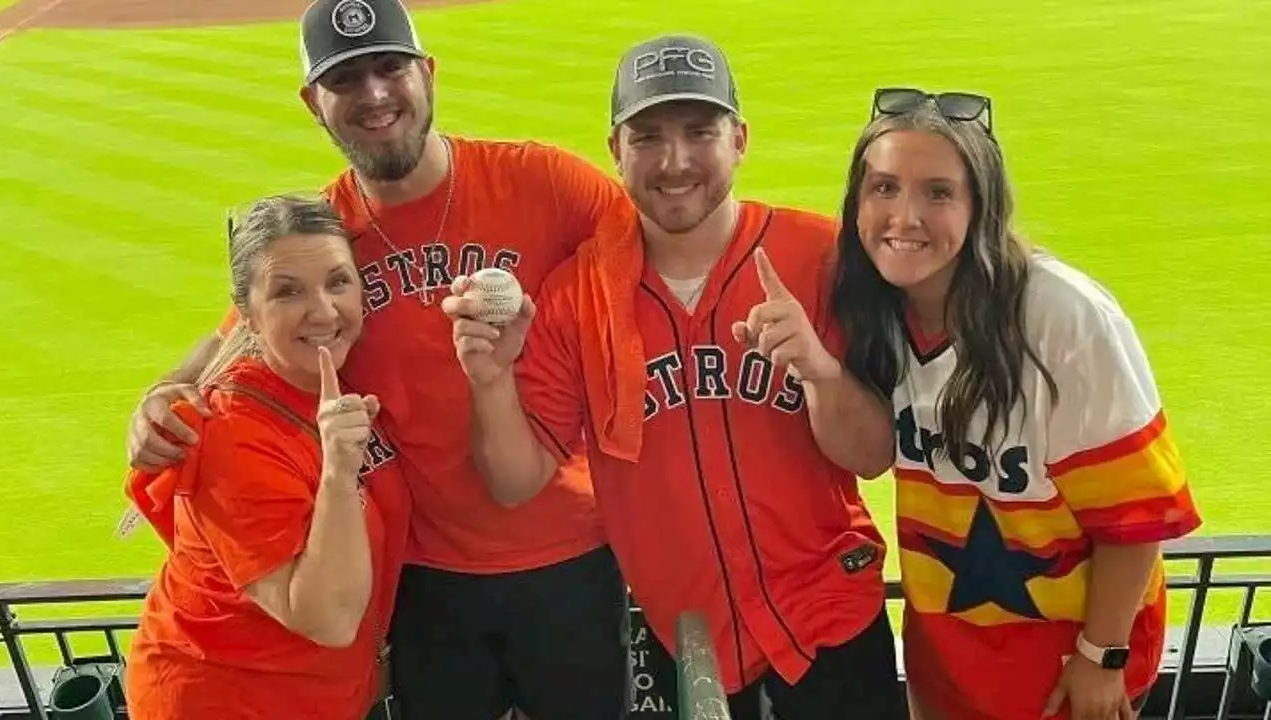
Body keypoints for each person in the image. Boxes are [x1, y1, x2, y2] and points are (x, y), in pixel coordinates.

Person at [122, 1, 633, 718]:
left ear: (427, 73)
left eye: (390, 67)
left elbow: (658, 264)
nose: (374, 94)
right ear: (313, 103)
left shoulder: (546, 183)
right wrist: (160, 393)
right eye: (346, 79)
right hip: (426, 579)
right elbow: (241, 334)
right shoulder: (325, 240)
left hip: (569, 556)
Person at [442, 34, 905, 720]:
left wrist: (820, 372)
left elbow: (872, 454)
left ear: (740, 138)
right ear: (615, 150)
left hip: (831, 621)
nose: (676, 161)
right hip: (688, 642)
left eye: (700, 132)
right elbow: (516, 480)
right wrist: (489, 379)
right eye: (649, 136)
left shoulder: (818, 258)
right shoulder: (579, 297)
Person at [828, 88, 1203, 720]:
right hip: (947, 664)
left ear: (982, 205)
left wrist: (1101, 656)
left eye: (938, 192)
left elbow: (1136, 518)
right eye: (884, 187)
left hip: (1068, 670)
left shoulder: (1060, 316)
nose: (905, 216)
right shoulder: (876, 310)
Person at [122, 195, 410, 719]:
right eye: (288, 292)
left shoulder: (327, 383)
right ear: (246, 318)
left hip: (311, 694)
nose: (323, 310)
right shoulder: (231, 432)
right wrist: (340, 472)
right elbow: (328, 618)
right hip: (225, 700)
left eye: (338, 282)